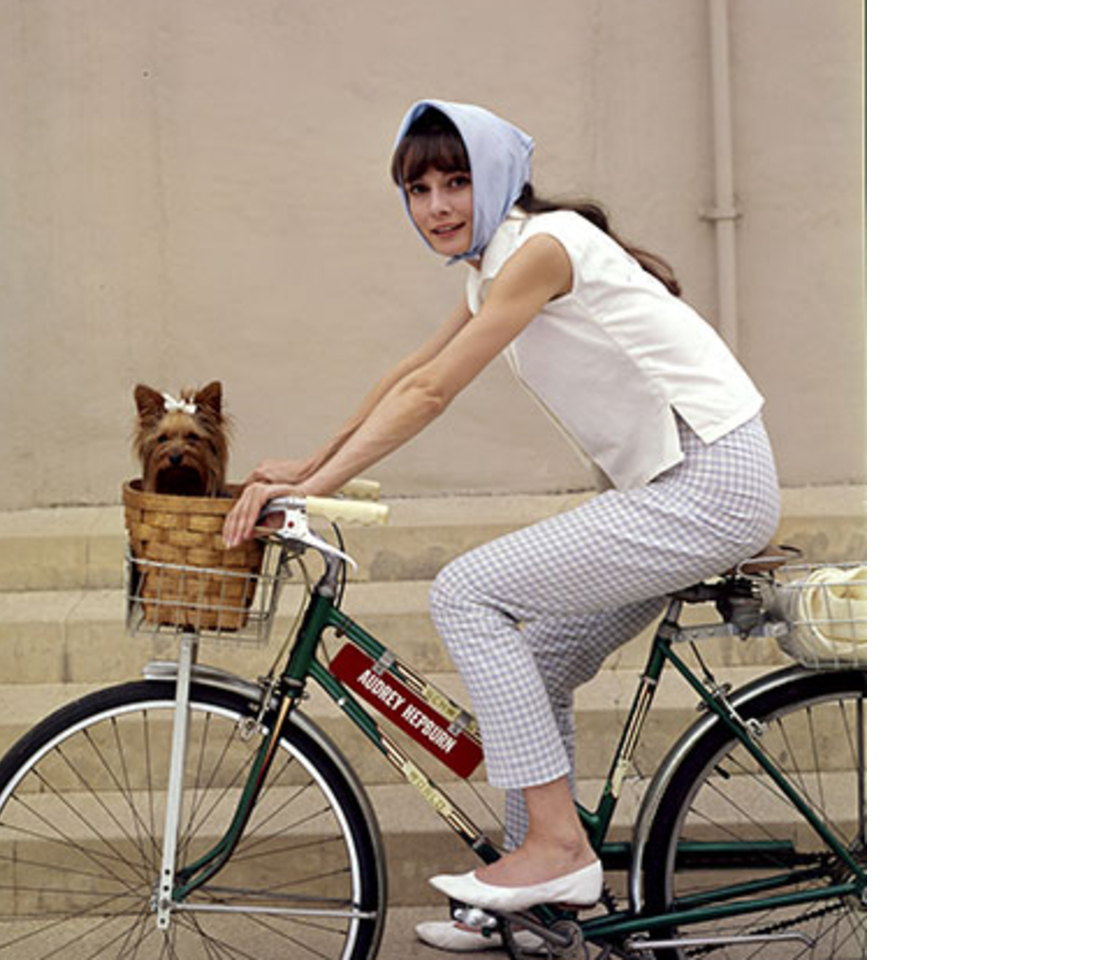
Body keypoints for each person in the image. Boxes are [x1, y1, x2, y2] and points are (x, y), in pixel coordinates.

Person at [222, 99, 780, 952]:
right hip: (674, 486)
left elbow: (434, 395)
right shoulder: (496, 264)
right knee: (544, 658)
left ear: (500, 180)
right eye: (419, 189)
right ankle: (540, 897)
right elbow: (415, 370)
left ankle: (555, 850)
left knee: (468, 592)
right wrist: (309, 464)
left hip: (708, 483)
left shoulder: (541, 249)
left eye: (457, 181)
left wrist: (319, 485)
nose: (439, 205)